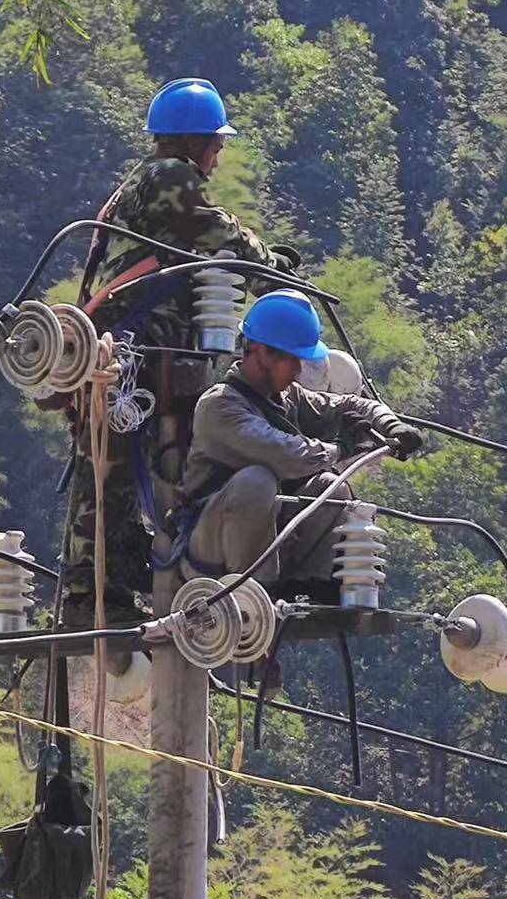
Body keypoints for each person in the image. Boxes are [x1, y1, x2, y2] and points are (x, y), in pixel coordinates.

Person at [60, 78, 298, 620]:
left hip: (135, 347)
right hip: (129, 349)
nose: (217, 157)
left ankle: (113, 582)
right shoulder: (169, 177)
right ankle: (92, 593)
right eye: (215, 144)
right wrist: (274, 271)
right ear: (193, 143)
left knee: (122, 466)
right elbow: (217, 232)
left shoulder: (139, 183)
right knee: (111, 472)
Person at [167, 290, 424, 593]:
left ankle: (306, 586)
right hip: (208, 555)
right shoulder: (220, 407)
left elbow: (349, 405)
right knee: (257, 481)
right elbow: (287, 455)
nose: (298, 370)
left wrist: (390, 424)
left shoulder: (289, 397)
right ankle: (254, 591)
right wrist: (342, 447)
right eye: (291, 359)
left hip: (267, 550)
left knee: (332, 487)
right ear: (261, 351)